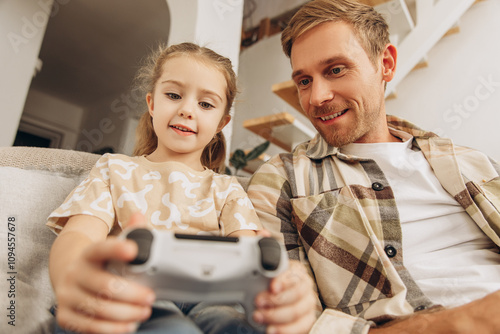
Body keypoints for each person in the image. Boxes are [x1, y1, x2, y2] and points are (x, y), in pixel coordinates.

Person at [246, 0, 500, 333]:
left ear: (386, 64)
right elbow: (294, 319)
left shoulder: (470, 161)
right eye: (304, 81)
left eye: (336, 69)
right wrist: (461, 322)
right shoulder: (283, 180)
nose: (316, 97)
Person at [47, 42, 316, 334]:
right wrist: (72, 280)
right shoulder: (114, 169)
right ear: (152, 104)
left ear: (221, 123)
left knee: (236, 326)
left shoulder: (226, 189)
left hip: (214, 297)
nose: (187, 110)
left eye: (205, 104)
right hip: (136, 290)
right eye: (173, 95)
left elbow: (250, 260)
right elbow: (78, 235)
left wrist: (280, 290)